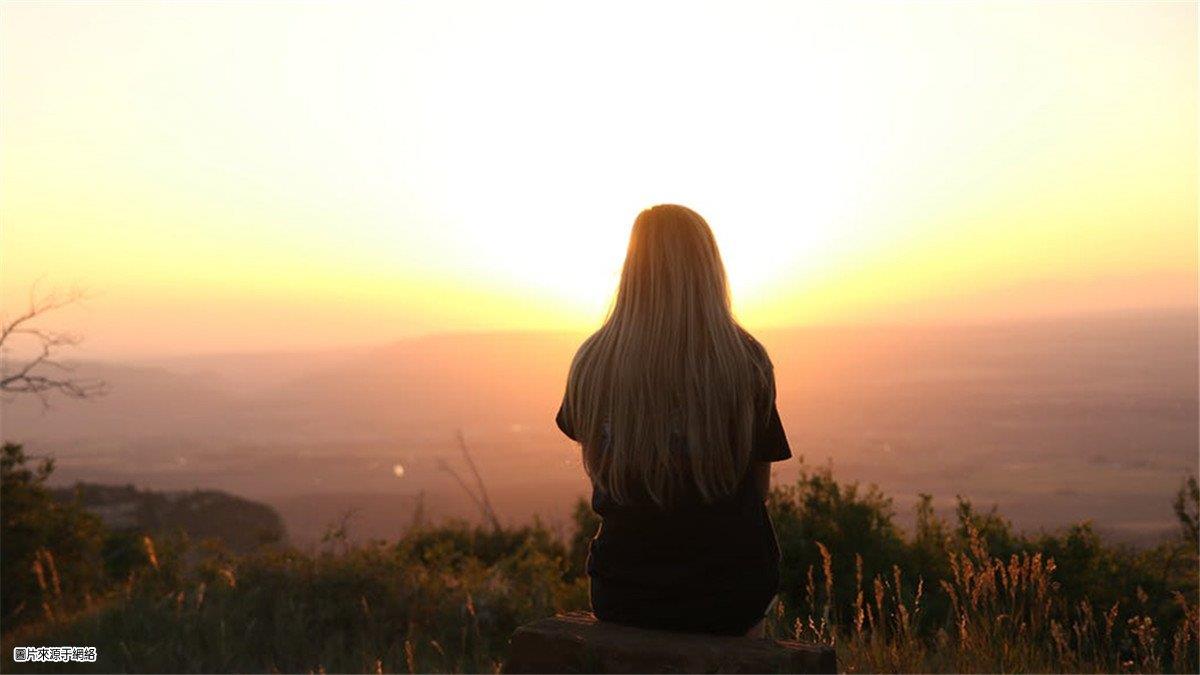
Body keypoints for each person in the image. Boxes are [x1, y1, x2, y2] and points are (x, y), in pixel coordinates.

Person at [555, 203, 792, 637]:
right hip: (731, 592)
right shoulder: (747, 362)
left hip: (625, 591)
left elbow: (601, 472)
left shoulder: (592, 363)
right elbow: (758, 491)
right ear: (709, 270)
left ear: (631, 269)